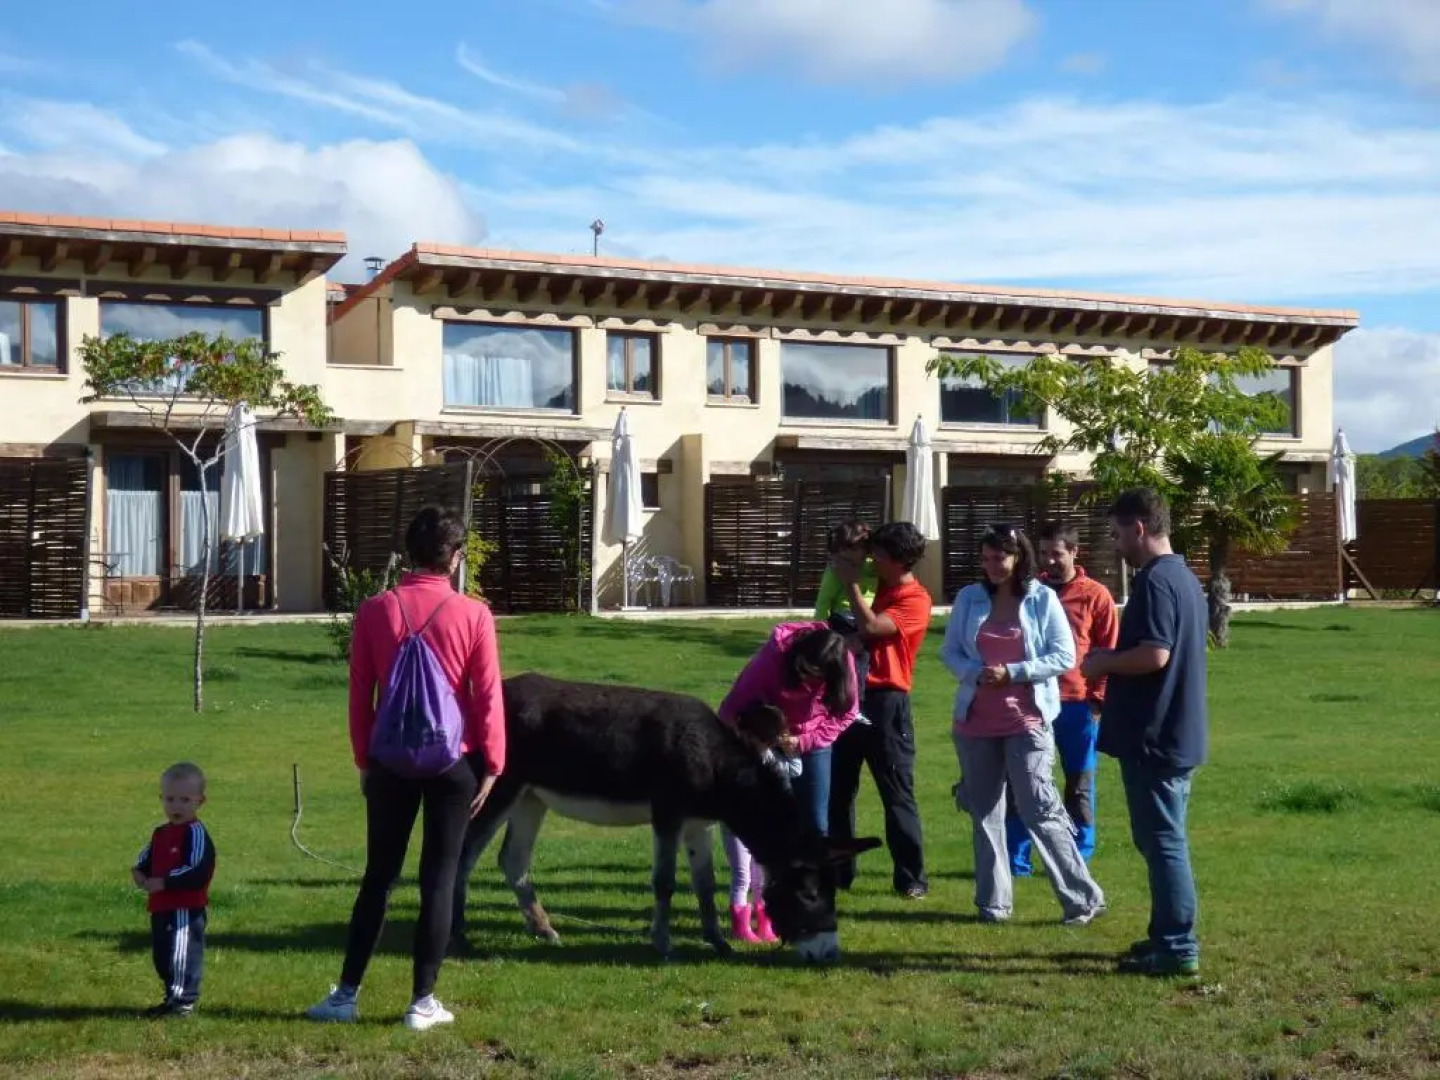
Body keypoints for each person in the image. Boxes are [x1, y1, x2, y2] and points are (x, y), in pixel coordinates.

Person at [307, 506, 506, 1030]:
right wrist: (493, 763)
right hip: (454, 762)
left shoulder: (375, 611)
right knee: (438, 881)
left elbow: (360, 693)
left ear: (407, 553)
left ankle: (346, 994)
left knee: (379, 878)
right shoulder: (473, 615)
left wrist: (363, 757)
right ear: (455, 556)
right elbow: (486, 697)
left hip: (389, 761)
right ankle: (422, 1002)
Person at [941, 525, 1106, 924]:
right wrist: (975, 672)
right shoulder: (969, 598)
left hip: (1026, 720)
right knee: (985, 814)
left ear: (1018, 559)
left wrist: (1013, 672)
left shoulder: (1041, 599)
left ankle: (1083, 899)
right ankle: (994, 904)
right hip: (976, 722)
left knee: (1040, 810)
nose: (992, 566)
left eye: (1000, 558)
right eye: (986, 559)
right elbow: (949, 652)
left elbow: (1064, 655)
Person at [1082, 487, 1207, 977]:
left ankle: (1177, 946)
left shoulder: (1157, 582)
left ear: (1139, 528)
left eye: (1117, 533)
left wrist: (1101, 662)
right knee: (1161, 839)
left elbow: (1155, 653)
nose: (1115, 544)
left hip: (1157, 735)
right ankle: (1164, 937)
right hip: (1176, 732)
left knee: (1163, 842)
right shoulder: (1185, 578)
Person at [718, 623, 858, 941]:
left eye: (816, 676)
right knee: (769, 830)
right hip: (768, 742)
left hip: (813, 744)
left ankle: (813, 903)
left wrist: (806, 740)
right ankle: (769, 904)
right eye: (803, 670)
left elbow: (847, 714)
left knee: (815, 827)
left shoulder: (843, 664)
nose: (807, 679)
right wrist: (756, 747)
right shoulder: (772, 661)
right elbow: (729, 711)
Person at [826, 521, 933, 898]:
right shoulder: (877, 585)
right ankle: (838, 873)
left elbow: (871, 627)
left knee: (896, 794)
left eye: (880, 556)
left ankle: (911, 878)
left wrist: (851, 583)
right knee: (837, 793)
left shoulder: (915, 599)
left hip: (886, 703)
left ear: (902, 561)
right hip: (846, 698)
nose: (872, 560)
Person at [1006, 521, 1119, 875]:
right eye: (1044, 554)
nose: (1049, 561)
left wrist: (1097, 700)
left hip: (1077, 703)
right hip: (1034, 701)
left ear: (1074, 552)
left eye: (1057, 554)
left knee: (1078, 783)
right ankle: (1016, 860)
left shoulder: (1095, 595)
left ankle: (1078, 856)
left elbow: (1108, 650)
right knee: (1026, 783)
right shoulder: (1030, 592)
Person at [715, 702, 805, 943]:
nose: (770, 745)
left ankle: (765, 924)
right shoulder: (733, 759)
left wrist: (789, 749)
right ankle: (741, 927)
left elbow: (795, 770)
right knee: (742, 875)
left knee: (761, 878)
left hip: (762, 829)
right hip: (737, 827)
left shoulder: (767, 756)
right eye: (770, 740)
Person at [133, 761, 216, 1018]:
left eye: (184, 800)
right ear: (161, 799)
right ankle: (171, 996)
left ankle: (183, 1002)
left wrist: (166, 881)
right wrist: (139, 872)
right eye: (170, 799)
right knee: (163, 955)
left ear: (199, 802)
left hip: (184, 907)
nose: (176, 806)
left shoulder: (196, 833)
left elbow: (198, 869)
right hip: (160, 906)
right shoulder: (161, 832)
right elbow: (147, 858)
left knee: (182, 955)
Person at [813, 521, 878, 696]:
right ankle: (840, 697)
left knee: (862, 659)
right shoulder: (836, 570)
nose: (847, 554)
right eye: (843, 549)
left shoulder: (873, 566)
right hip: (841, 620)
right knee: (840, 660)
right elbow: (823, 601)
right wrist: (820, 628)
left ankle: (857, 700)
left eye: (854, 548)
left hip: (864, 619)